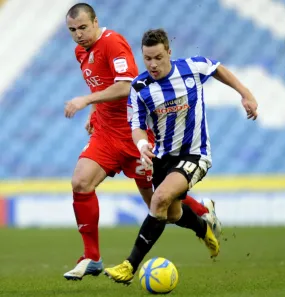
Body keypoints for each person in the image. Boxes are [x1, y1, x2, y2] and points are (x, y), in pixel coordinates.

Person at [63, 4, 221, 280]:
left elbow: (126, 85)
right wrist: (94, 109)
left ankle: (201, 217)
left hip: (137, 134)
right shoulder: (81, 52)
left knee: (164, 209)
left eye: (83, 27)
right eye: (72, 30)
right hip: (106, 134)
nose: (78, 35)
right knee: (80, 182)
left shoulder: (113, 43)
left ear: (96, 22)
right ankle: (92, 257)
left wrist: (86, 101)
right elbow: (101, 85)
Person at [103, 28, 258, 284]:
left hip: (196, 154)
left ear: (169, 53)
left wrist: (246, 94)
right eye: (147, 58)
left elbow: (218, 68)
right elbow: (137, 127)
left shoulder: (192, 68)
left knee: (159, 199)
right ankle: (203, 228)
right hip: (164, 157)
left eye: (158, 57)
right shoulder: (140, 87)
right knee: (172, 214)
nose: (152, 64)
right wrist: (142, 146)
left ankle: (129, 265)